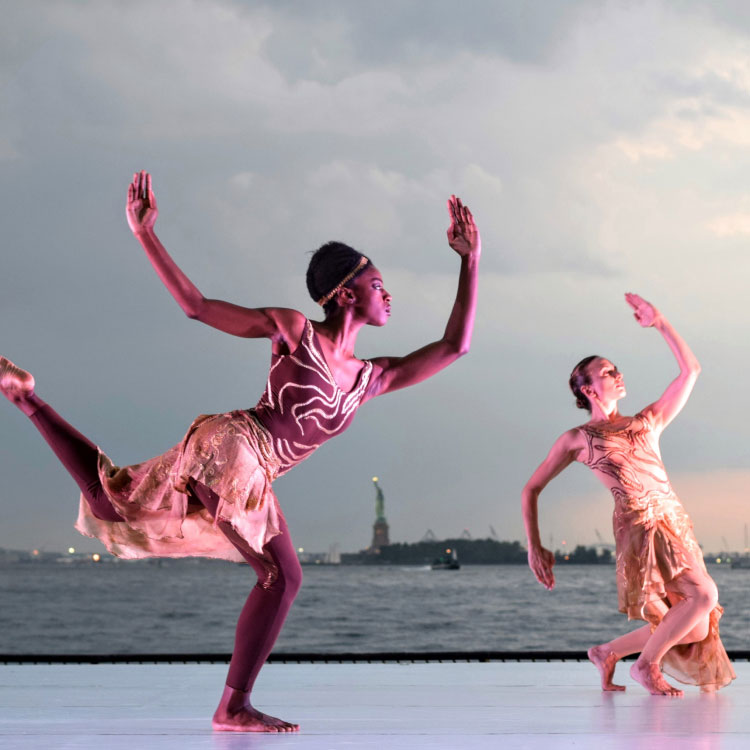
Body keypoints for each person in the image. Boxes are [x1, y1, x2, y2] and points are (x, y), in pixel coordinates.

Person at [0, 170, 481, 731]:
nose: (389, 294)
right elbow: (197, 306)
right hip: (235, 446)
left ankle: (26, 398)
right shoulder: (295, 330)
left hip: (245, 462)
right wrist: (145, 234)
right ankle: (232, 707)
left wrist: (469, 261)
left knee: (113, 503)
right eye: (379, 285)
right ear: (346, 294)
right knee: (283, 577)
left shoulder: (371, 377)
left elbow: (455, 346)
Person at [521, 293, 735, 696]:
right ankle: (645, 666)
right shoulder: (578, 438)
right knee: (705, 595)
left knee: (695, 626)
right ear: (587, 389)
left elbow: (691, 370)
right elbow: (531, 488)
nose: (618, 375)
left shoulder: (648, 420)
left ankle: (607, 652)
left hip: (675, 522)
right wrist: (535, 545)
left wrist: (660, 322)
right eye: (608, 371)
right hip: (641, 527)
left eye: (617, 369)